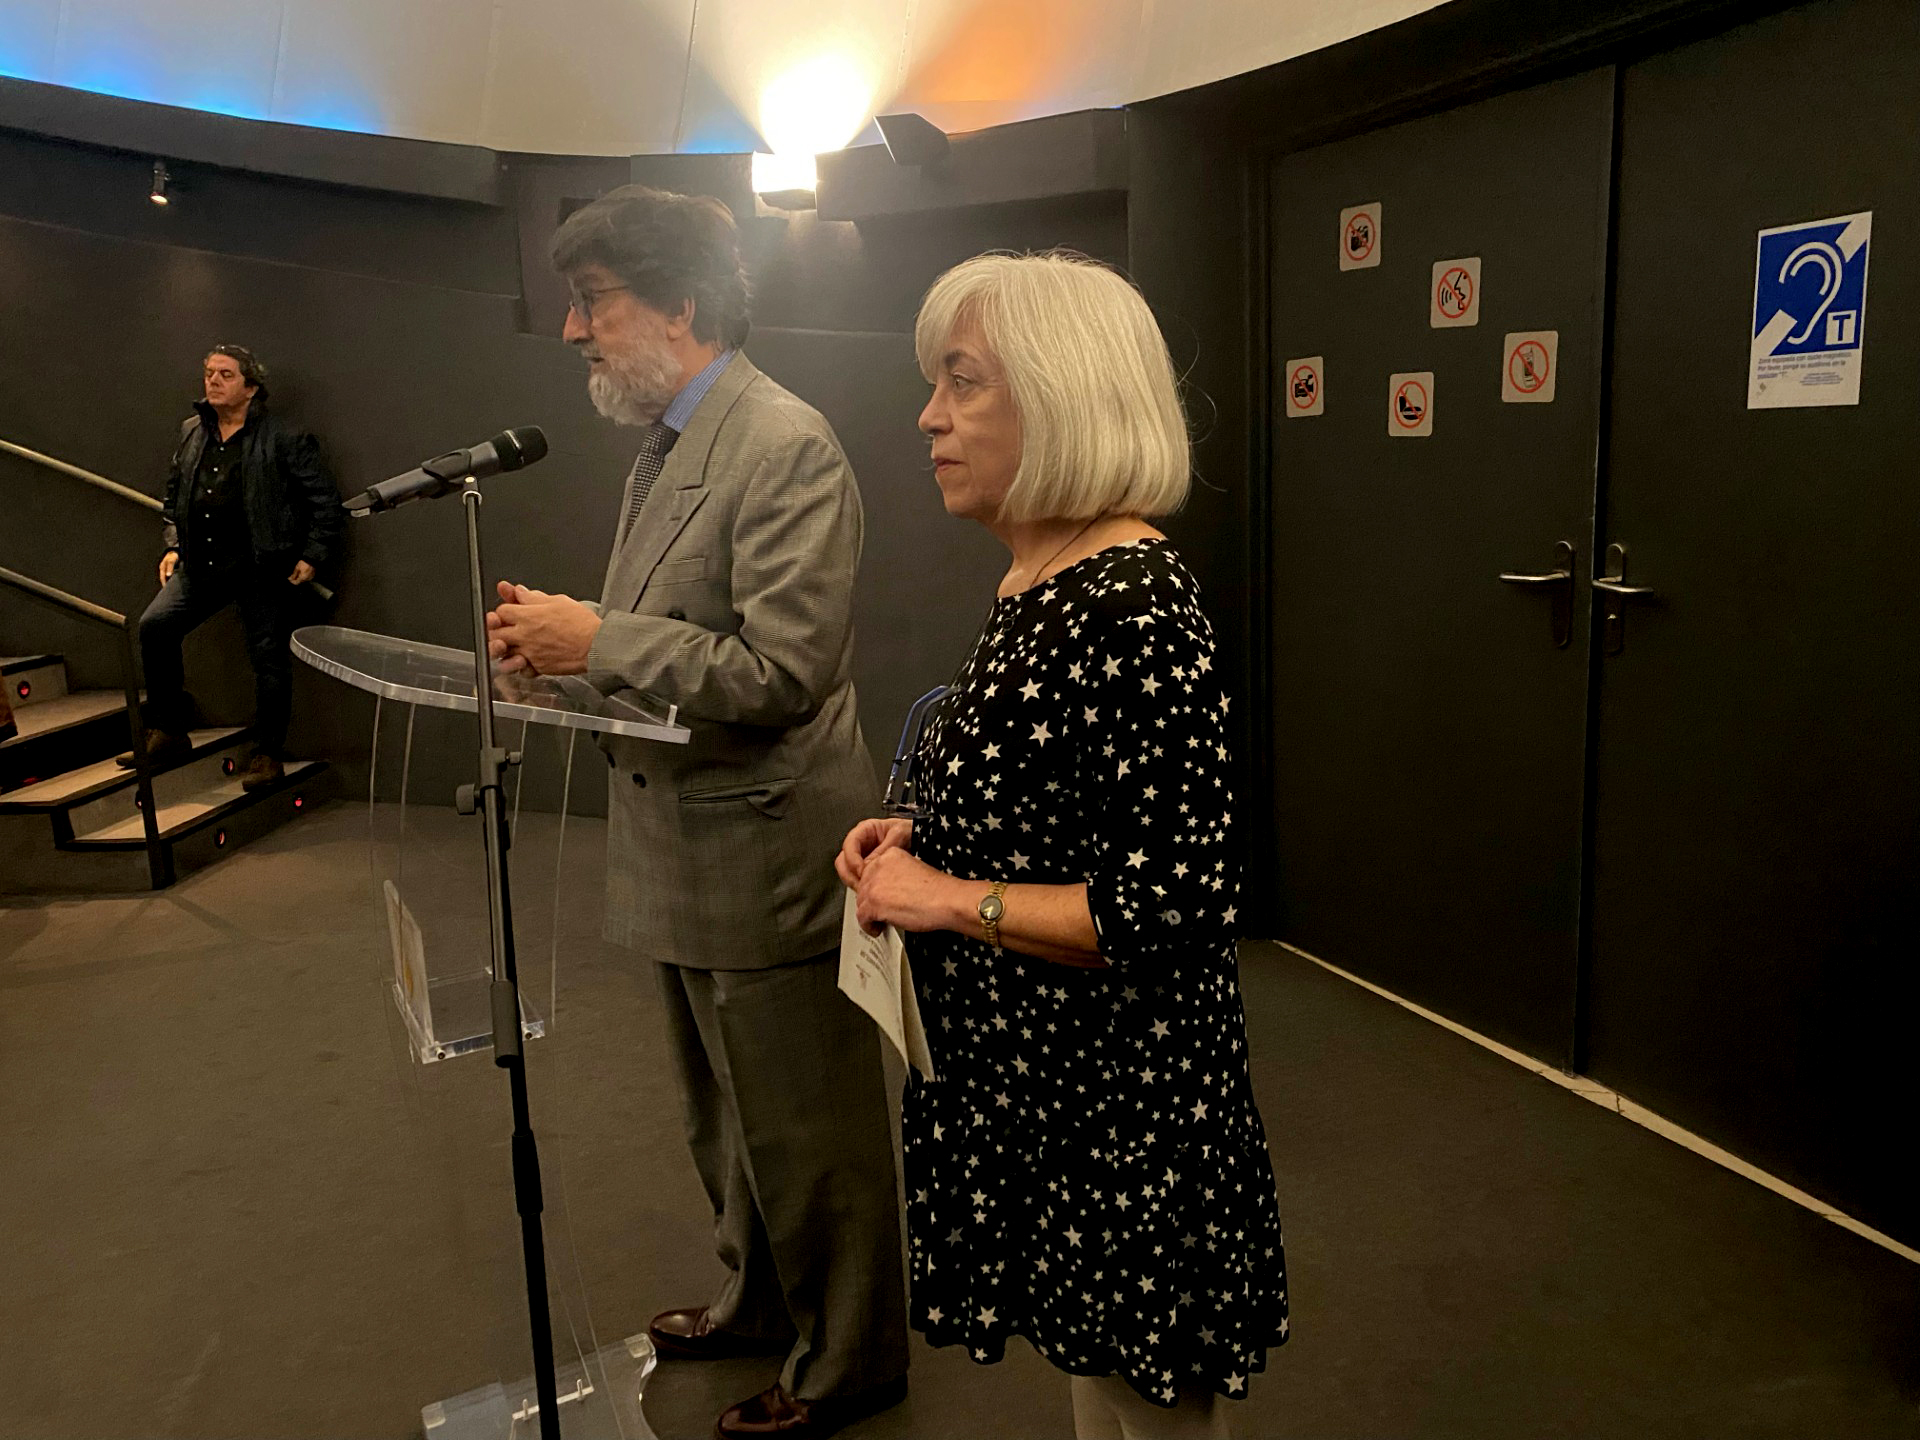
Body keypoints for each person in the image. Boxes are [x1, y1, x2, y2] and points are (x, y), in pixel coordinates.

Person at [837, 252, 1289, 1440]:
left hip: (1121, 1102)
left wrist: (944, 897)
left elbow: (1168, 905)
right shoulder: (1038, 578)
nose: (929, 416)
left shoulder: (1131, 603)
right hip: (1049, 1083)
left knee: (1151, 1404)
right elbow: (1055, 810)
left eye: (963, 381)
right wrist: (924, 833)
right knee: (1099, 1370)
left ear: (1062, 396)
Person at [486, 185, 908, 1440]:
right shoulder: (671, 443)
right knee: (723, 1119)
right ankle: (763, 1302)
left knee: (808, 1129)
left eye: (592, 301)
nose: (574, 330)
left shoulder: (783, 444)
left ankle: (851, 1361)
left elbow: (783, 672)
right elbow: (671, 646)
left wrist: (598, 639)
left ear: (682, 303)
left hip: (769, 851)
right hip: (684, 845)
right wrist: (565, 663)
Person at [122, 346, 341, 788]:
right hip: (201, 564)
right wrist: (173, 546)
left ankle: (268, 753)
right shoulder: (192, 431)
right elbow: (174, 495)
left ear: (251, 387)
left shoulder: (284, 436)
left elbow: (324, 501)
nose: (213, 381)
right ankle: (168, 730)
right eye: (209, 373)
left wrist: (312, 555)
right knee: (154, 627)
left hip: (260, 566)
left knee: (268, 660)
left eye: (225, 374)